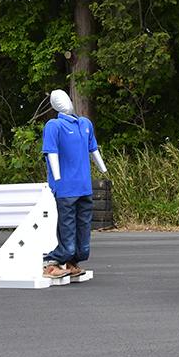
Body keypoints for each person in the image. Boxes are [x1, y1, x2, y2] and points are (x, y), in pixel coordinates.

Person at [40, 89, 108, 280]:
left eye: (65, 99)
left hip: (84, 186)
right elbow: (51, 152)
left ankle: (73, 261)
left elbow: (93, 148)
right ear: (54, 106)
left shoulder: (85, 124)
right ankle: (52, 262)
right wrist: (58, 178)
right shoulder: (54, 126)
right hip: (66, 188)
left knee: (84, 229)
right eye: (57, 101)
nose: (63, 103)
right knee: (67, 227)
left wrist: (102, 168)